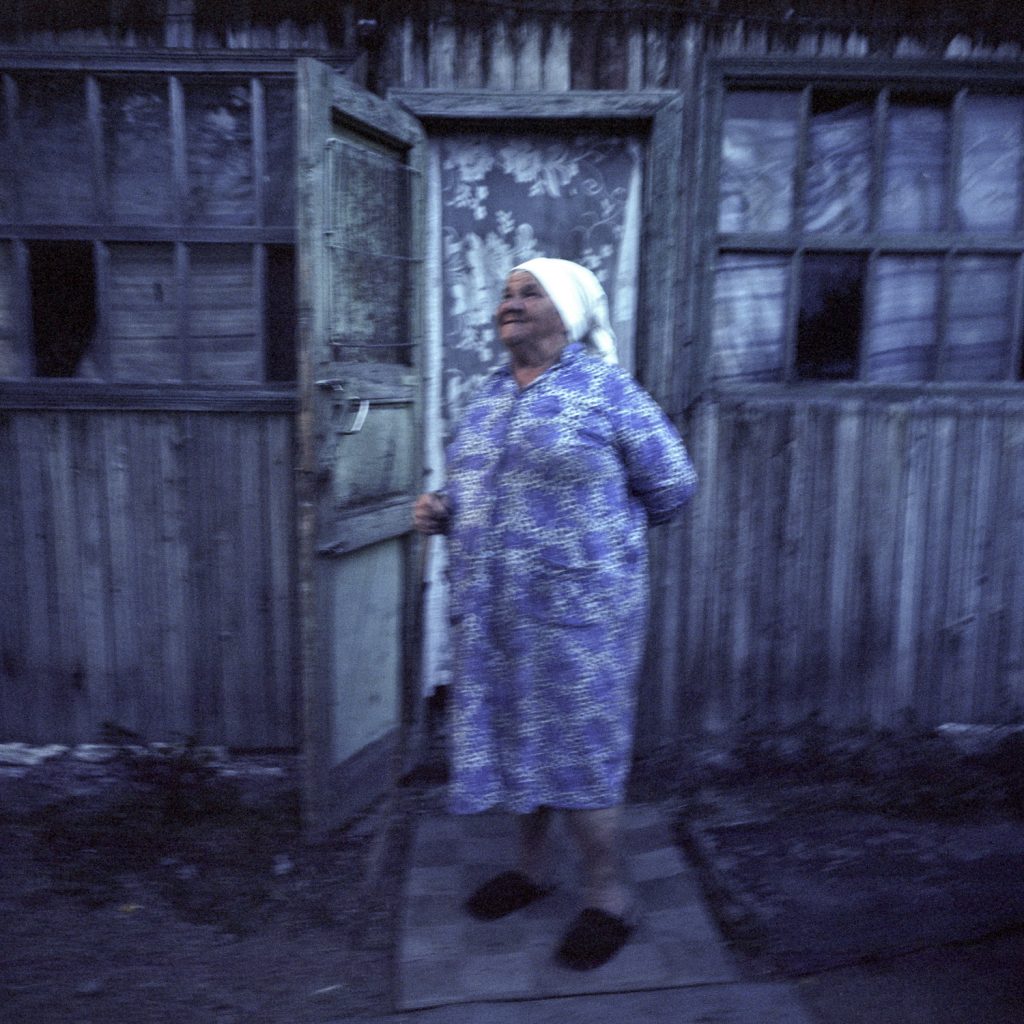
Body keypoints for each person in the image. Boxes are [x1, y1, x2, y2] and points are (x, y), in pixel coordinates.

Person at [413, 257, 697, 970]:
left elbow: (673, 486)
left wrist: (599, 546)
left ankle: (610, 897)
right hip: (496, 616)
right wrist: (445, 511)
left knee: (582, 752)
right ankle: (533, 871)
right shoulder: (486, 399)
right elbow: (476, 492)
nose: (510, 302)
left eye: (529, 292)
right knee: (518, 740)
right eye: (505, 292)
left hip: (581, 619)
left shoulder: (606, 391)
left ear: (567, 311)